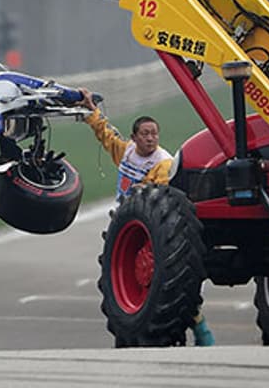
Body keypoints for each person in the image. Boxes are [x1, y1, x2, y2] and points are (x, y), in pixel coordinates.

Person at [78, 89, 215, 347]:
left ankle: (200, 329)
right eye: (145, 134)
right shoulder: (127, 152)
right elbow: (105, 134)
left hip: (152, 232)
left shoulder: (162, 164)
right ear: (134, 137)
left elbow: (162, 200)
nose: (151, 139)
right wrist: (90, 111)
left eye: (154, 134)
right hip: (128, 225)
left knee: (164, 286)